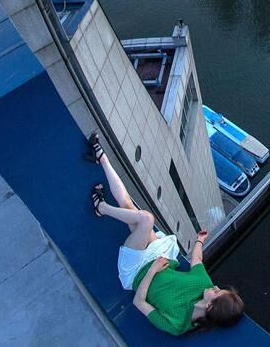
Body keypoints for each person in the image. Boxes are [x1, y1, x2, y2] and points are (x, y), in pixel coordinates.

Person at [86, 133, 245, 336]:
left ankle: (101, 206)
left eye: (216, 292)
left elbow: (139, 302)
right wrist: (199, 240)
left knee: (145, 219)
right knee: (130, 208)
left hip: (136, 272)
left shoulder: (177, 324)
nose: (214, 286)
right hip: (158, 257)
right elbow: (196, 260)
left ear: (209, 306)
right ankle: (102, 160)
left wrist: (152, 270)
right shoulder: (203, 284)